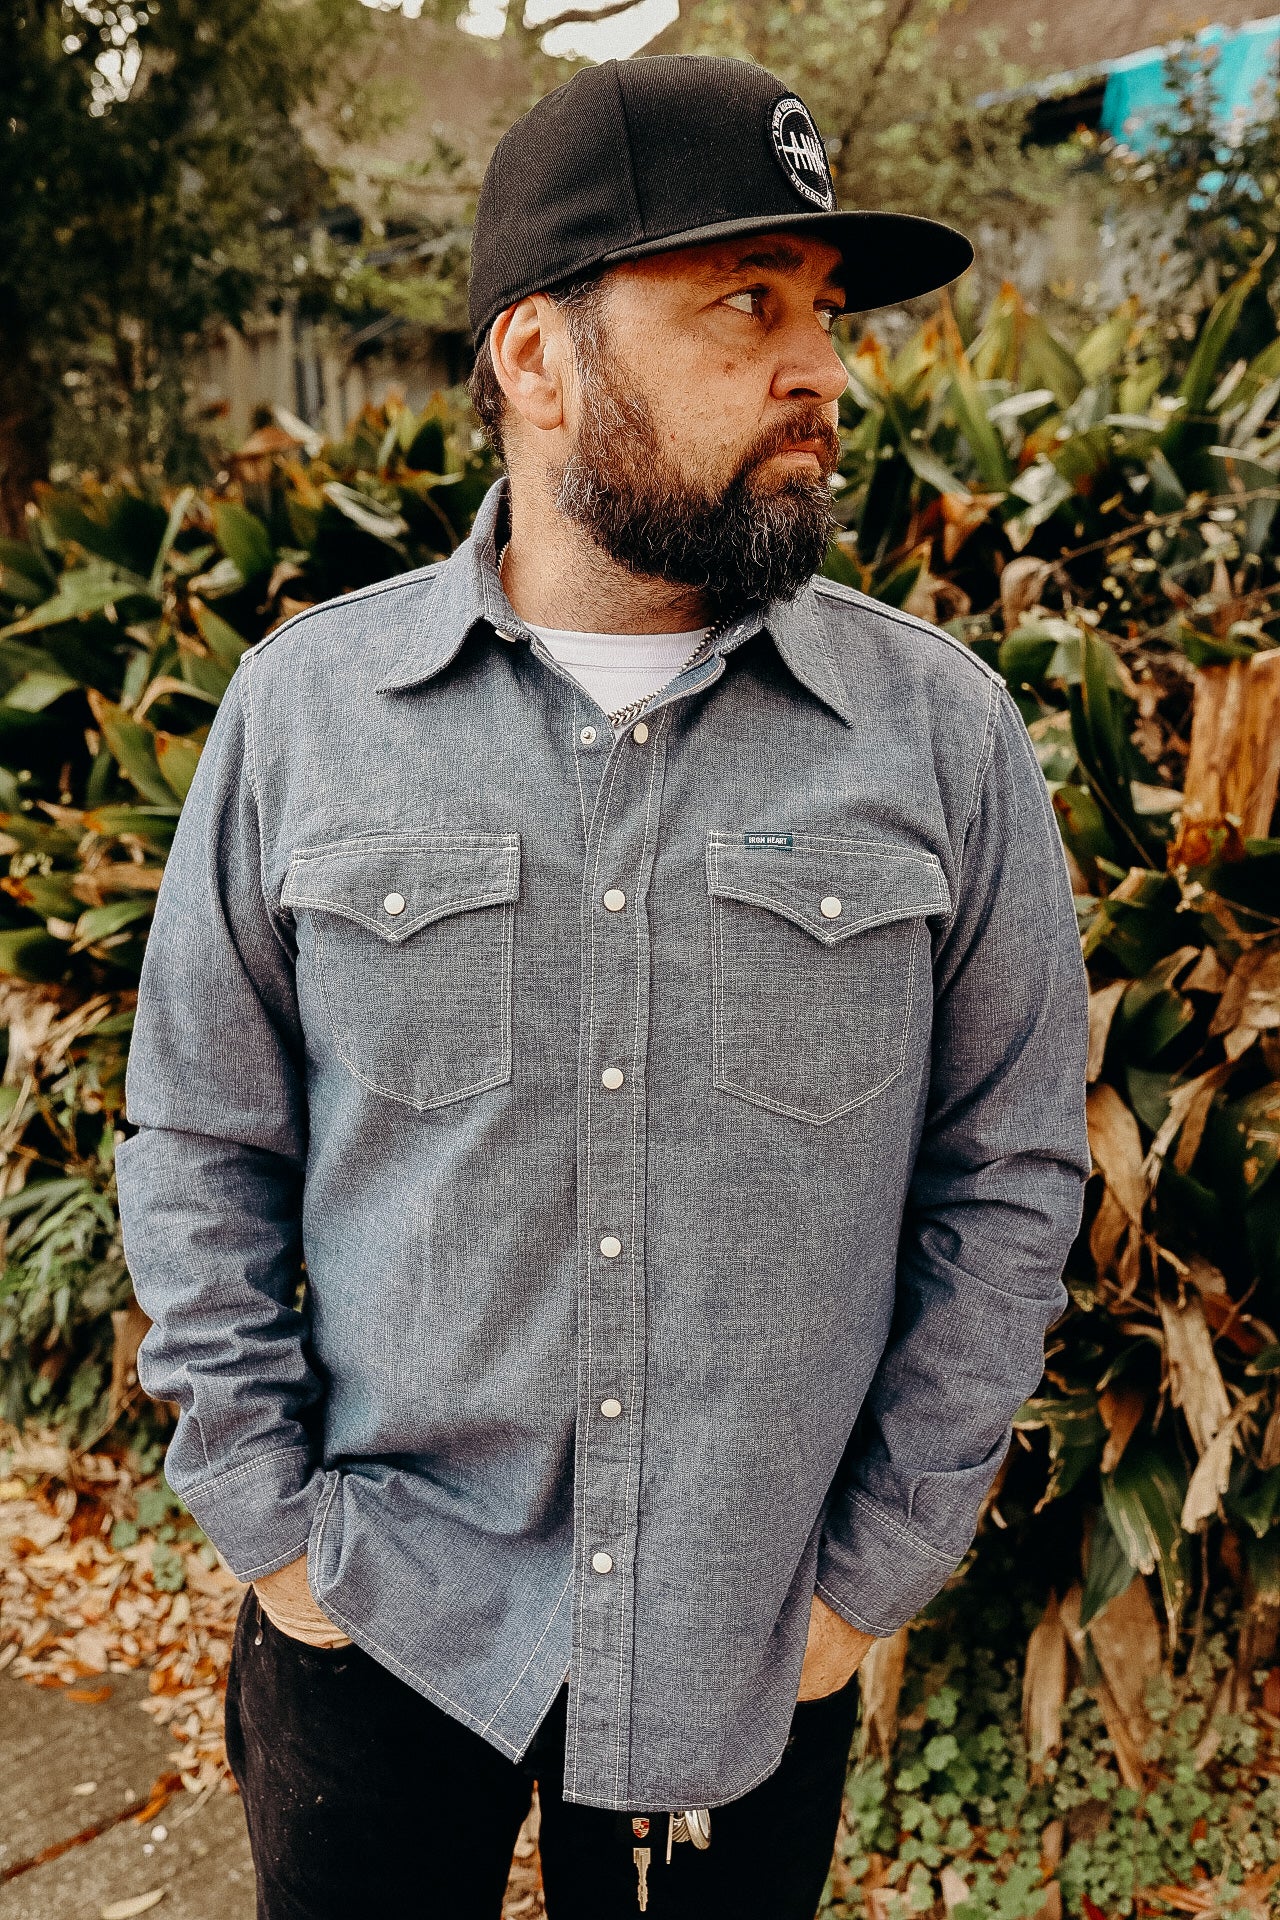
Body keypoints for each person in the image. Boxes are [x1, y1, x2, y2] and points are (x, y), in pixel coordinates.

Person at [114, 51, 1091, 1920]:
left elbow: (1010, 1173)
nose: (820, 369)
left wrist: (864, 1577)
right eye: (748, 305)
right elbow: (196, 1131)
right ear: (537, 358)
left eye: (824, 312)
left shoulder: (941, 740)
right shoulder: (308, 720)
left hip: (746, 1647)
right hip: (379, 1627)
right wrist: (273, 1527)